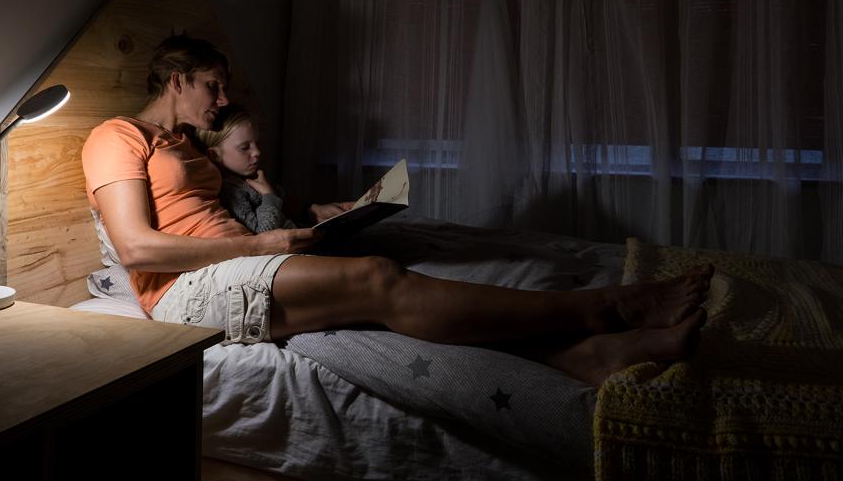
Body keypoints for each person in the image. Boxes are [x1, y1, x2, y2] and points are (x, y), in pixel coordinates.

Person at [82, 34, 713, 386]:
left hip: (240, 260)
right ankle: (610, 309)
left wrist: (310, 210)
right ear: (174, 81)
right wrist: (260, 246)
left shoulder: (188, 145)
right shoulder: (116, 136)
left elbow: (233, 198)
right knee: (376, 279)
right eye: (211, 85)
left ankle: (584, 357)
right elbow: (137, 249)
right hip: (181, 293)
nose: (222, 99)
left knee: (380, 273)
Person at [196, 104, 320, 233]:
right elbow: (264, 232)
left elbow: (285, 206)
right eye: (244, 147)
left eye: (256, 143)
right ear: (214, 155)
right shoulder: (230, 192)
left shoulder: (250, 178)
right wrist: (269, 195)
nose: (257, 152)